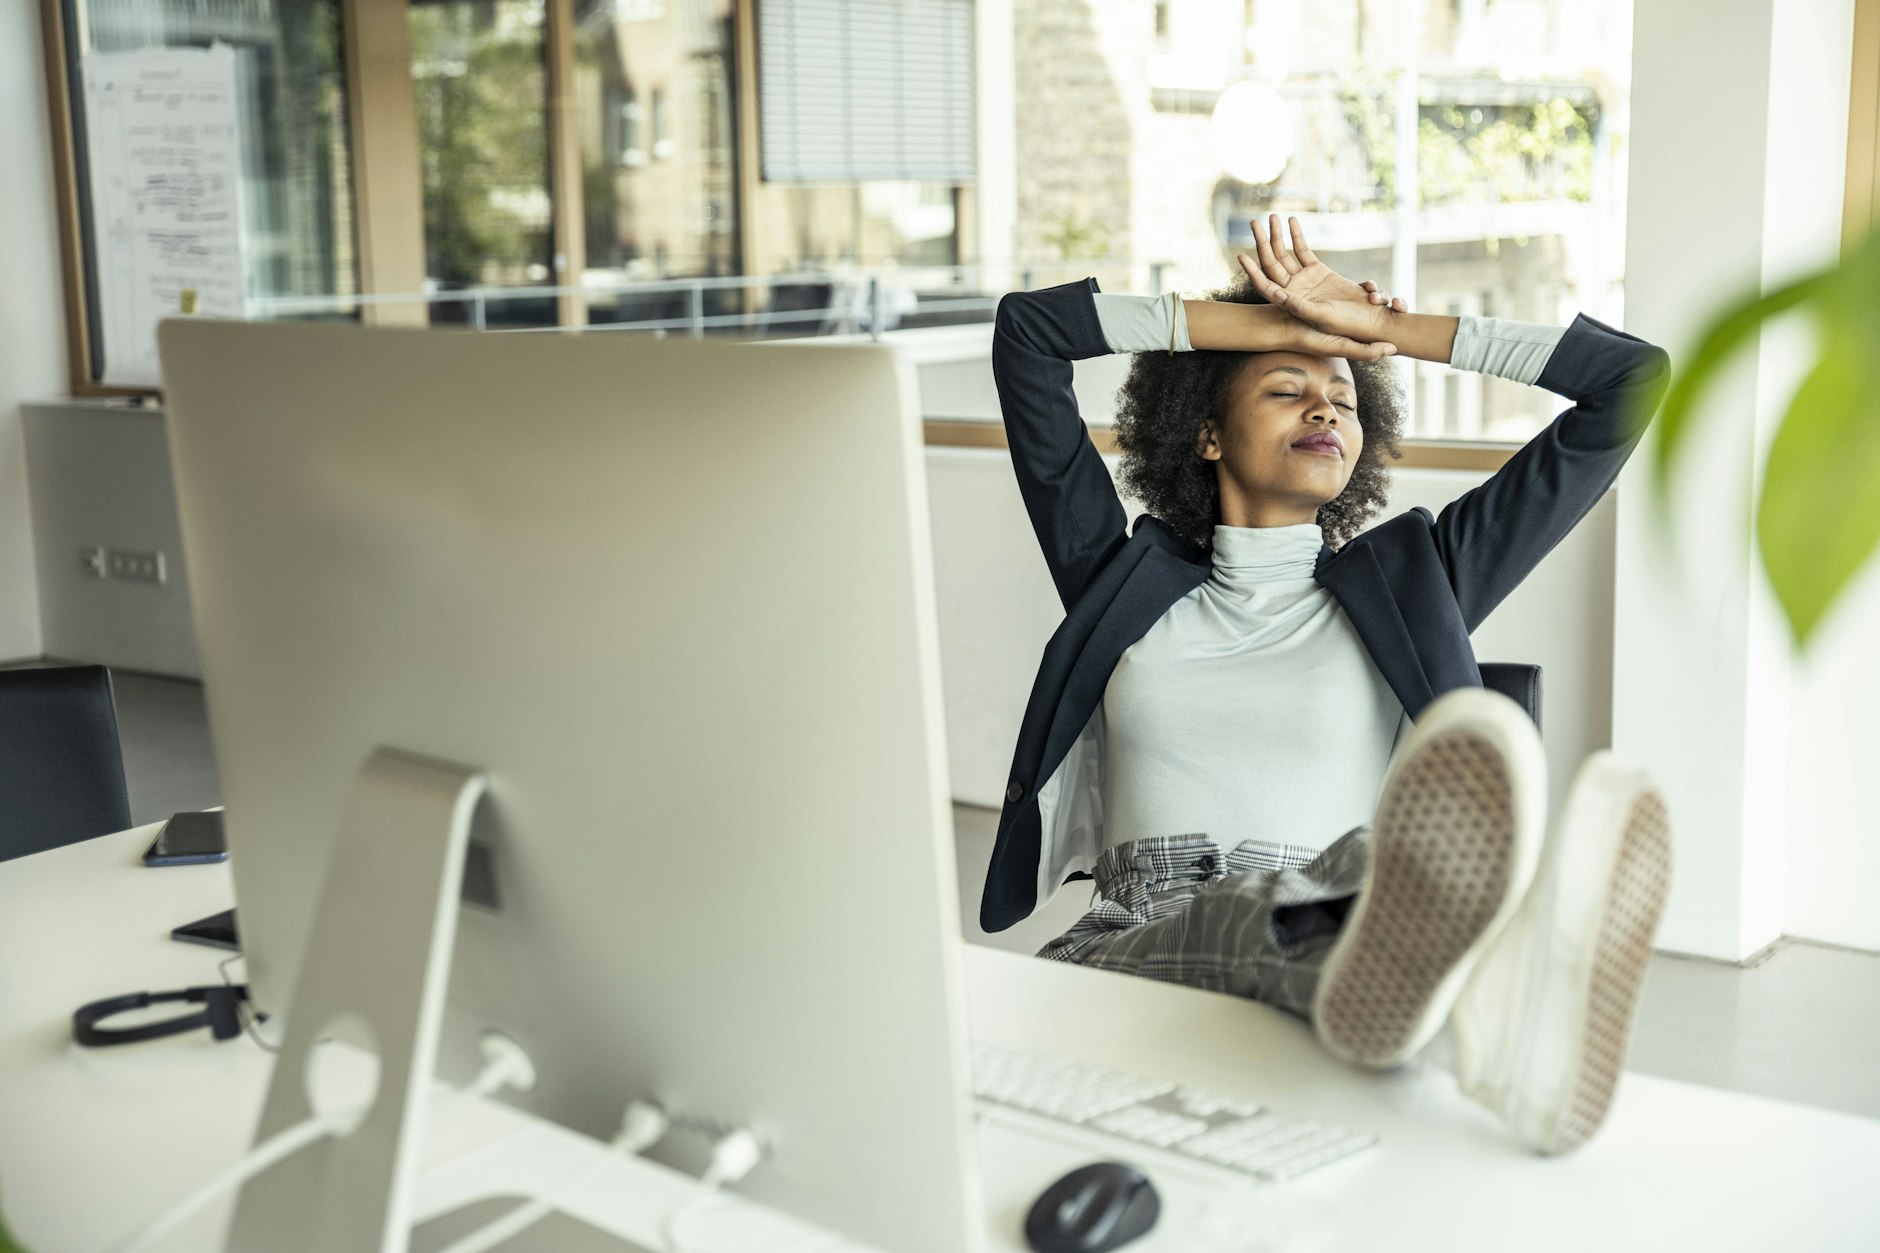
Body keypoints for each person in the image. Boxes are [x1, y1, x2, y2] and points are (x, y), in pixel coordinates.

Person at [982, 215, 1674, 1155]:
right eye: (1286, 387)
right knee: (1255, 915)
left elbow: (1630, 382)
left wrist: (1385, 328)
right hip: (1132, 941)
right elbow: (1027, 336)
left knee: (1332, 910)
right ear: (1207, 434)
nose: (1326, 410)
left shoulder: (1419, 585)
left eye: (1345, 398)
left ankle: (1491, 1018)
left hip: (1341, 929)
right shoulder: (1122, 586)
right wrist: (1263, 324)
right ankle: (1502, 988)